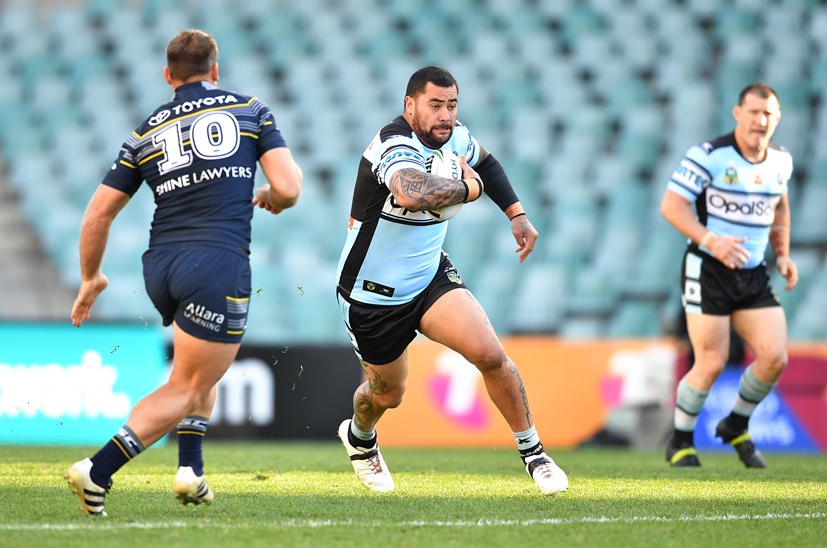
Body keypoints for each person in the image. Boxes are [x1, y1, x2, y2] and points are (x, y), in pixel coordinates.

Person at [65, 29, 302, 516]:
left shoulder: (145, 132)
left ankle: (190, 471)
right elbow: (290, 187)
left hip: (163, 266)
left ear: (168, 76)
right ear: (216, 69)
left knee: (195, 371)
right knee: (189, 386)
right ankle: (99, 469)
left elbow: (96, 215)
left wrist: (91, 277)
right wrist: (274, 199)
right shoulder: (250, 110)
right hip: (217, 261)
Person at [334, 66, 568, 496]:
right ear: (410, 106)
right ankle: (360, 435)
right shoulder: (392, 143)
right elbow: (411, 193)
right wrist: (469, 190)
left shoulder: (455, 136)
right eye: (435, 105)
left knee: (490, 354)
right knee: (387, 395)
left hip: (429, 278)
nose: (445, 115)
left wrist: (516, 214)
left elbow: (487, 162)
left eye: (452, 105)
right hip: (373, 295)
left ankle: (534, 454)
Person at [660, 83, 798, 468]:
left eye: (768, 113)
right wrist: (711, 240)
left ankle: (735, 423)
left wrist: (783, 254)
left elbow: (780, 207)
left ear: (778, 118)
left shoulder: (781, 161)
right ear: (738, 114)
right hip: (707, 270)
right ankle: (680, 441)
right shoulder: (709, 156)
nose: (760, 120)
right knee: (712, 360)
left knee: (774, 357)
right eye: (753, 112)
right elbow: (671, 206)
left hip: (752, 273)